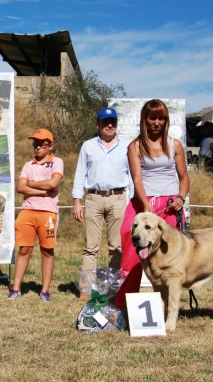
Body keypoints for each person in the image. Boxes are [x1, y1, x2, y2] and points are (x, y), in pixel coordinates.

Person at [115, 99, 190, 309]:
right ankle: (123, 307)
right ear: (145, 120)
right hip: (143, 204)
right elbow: (137, 180)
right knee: (132, 256)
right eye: (152, 118)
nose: (156, 122)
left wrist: (181, 197)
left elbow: (184, 178)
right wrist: (145, 205)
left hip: (169, 205)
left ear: (165, 120)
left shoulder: (174, 144)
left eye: (161, 118)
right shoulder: (135, 146)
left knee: (169, 258)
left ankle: (167, 307)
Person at [72, 107, 132, 300]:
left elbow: (132, 176)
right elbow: (81, 173)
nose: (109, 125)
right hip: (93, 198)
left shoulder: (127, 146)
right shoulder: (88, 146)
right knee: (90, 247)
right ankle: (86, 290)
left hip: (118, 198)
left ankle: (114, 290)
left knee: (117, 247)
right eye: (105, 122)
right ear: (97, 124)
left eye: (113, 122)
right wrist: (76, 201)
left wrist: (132, 203)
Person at [7, 129, 63, 302]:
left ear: (50, 145)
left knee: (47, 251)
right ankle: (16, 289)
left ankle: (45, 291)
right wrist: (41, 191)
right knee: (24, 249)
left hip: (48, 213)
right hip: (27, 211)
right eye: (35, 145)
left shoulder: (57, 162)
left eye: (42, 145)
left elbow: (53, 183)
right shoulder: (27, 165)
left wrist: (32, 184)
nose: (38, 148)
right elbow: (21, 187)